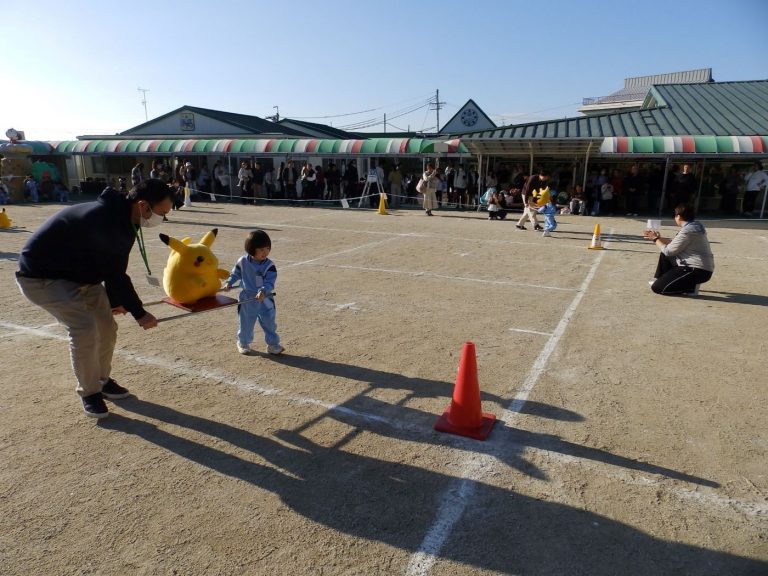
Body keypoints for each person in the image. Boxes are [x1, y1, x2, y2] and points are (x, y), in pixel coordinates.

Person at [15, 179, 174, 418]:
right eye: (162, 213)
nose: (162, 219)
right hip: (42, 278)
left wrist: (114, 301)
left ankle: (101, 380)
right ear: (143, 205)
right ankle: (89, 392)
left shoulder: (125, 219)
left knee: (107, 327)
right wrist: (139, 313)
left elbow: (114, 265)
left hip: (80, 276)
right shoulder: (103, 219)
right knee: (84, 328)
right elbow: (114, 273)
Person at [224, 229, 284, 356]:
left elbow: (270, 281)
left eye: (267, 248)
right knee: (246, 321)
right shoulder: (243, 261)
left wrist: (263, 290)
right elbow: (236, 273)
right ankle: (243, 342)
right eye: (261, 249)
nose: (265, 252)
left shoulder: (269, 265)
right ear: (251, 249)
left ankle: (273, 344)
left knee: (269, 322)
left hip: (265, 298)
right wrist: (230, 282)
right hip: (247, 298)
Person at [643, 204, 714, 296]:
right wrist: (658, 238)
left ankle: (690, 288)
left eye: (675, 216)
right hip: (702, 268)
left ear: (679, 216)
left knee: (657, 288)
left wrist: (655, 239)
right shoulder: (693, 227)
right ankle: (664, 280)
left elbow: (669, 251)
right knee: (664, 254)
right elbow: (674, 243)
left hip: (695, 269)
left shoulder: (687, 231)